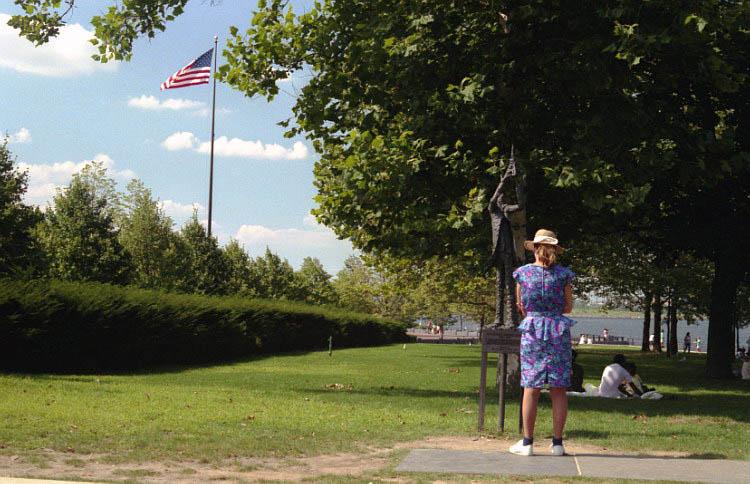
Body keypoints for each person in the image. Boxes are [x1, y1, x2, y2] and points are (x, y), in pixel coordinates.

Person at [509, 229, 575, 457]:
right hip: (557, 330)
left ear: (535, 248)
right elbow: (568, 307)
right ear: (555, 249)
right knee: (558, 389)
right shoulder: (564, 275)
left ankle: (527, 443)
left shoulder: (522, 274)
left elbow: (521, 306)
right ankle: (557, 444)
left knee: (531, 386)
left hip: (533, 329)